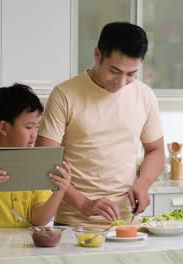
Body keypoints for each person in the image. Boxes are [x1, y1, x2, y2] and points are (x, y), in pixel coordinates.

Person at [36, 22, 164, 225]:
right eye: (115, 70)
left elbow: (155, 150)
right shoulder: (65, 94)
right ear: (97, 55)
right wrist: (84, 204)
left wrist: (144, 183)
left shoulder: (145, 95)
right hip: (74, 223)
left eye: (131, 74)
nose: (121, 82)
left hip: (127, 222)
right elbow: (44, 162)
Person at [0, 83, 72, 230]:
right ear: (4, 128)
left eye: (37, 127)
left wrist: (59, 192)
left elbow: (38, 220)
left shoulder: (35, 164)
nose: (34, 134)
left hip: (25, 250)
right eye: (29, 127)